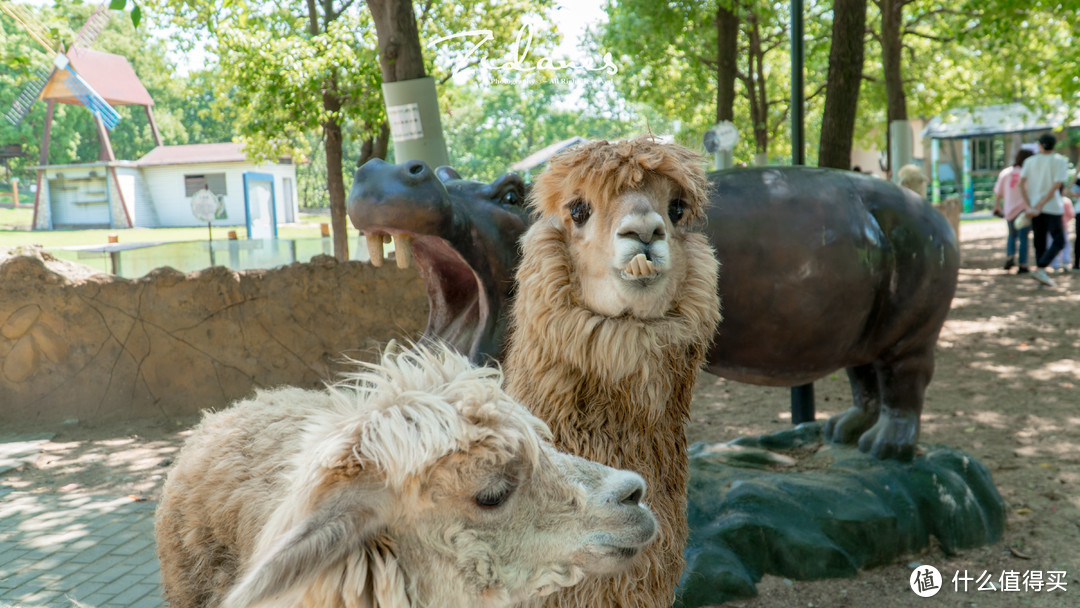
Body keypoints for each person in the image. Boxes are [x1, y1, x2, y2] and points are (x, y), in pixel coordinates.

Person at [1019, 133, 1070, 287]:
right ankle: (1041, 268)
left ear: (1040, 145)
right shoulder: (1060, 161)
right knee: (1059, 240)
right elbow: (1056, 185)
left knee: (1039, 241)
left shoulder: (1030, 161)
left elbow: (1021, 184)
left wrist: (1030, 205)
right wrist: (1040, 204)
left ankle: (1041, 270)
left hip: (1036, 207)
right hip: (1052, 206)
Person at [992, 148, 1036, 273]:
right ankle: (1023, 264)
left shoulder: (1005, 173)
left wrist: (996, 207)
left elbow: (998, 193)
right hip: (1024, 209)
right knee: (1023, 237)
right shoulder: (1027, 173)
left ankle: (1010, 256)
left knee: (1011, 235)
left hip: (1009, 209)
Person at [1050, 195, 1075, 272]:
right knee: (1065, 244)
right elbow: (1071, 214)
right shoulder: (1066, 201)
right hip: (1063, 226)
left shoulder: (1049, 200)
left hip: (1051, 227)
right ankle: (1066, 262)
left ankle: (1055, 265)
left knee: (1053, 244)